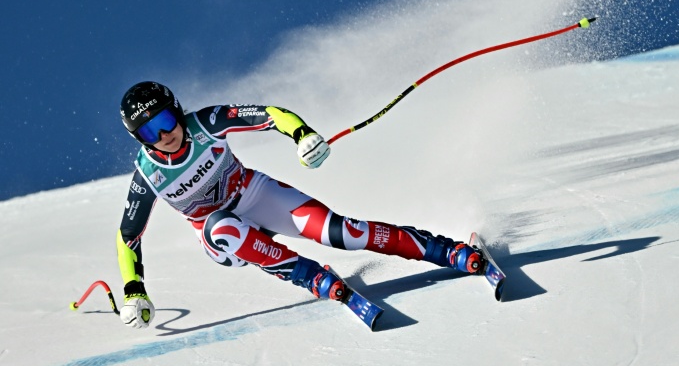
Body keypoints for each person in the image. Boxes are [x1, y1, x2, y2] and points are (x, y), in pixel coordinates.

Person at [116, 81, 484, 328]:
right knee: (222, 226)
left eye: (166, 120)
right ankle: (310, 276)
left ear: (177, 110)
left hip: (254, 194)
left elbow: (269, 114)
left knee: (342, 232)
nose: (164, 135)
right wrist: (134, 290)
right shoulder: (149, 175)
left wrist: (302, 134)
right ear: (140, 139)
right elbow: (127, 236)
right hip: (221, 238)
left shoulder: (205, 123)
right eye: (149, 132)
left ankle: (445, 251)